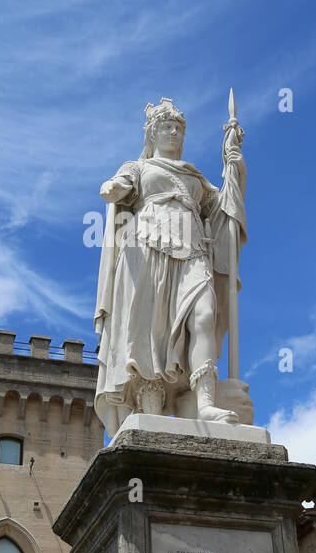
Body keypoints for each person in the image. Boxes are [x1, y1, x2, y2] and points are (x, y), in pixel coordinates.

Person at [94, 98, 247, 435]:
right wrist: (115, 189)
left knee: (205, 314)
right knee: (152, 330)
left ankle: (205, 402)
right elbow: (119, 188)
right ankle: (150, 405)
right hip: (148, 246)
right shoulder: (139, 167)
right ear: (153, 132)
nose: (174, 132)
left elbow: (222, 210)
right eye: (167, 127)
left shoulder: (194, 177)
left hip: (193, 249)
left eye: (179, 128)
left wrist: (234, 168)